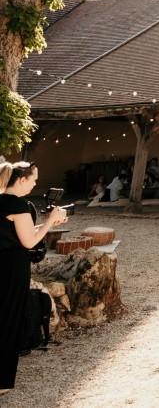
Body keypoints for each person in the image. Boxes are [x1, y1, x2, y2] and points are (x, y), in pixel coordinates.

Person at [1, 163, 68, 393]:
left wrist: (46, 224)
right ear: (21, 180)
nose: (35, 184)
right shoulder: (18, 205)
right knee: (9, 320)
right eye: (33, 180)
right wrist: (50, 221)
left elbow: (18, 232)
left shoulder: (2, 201)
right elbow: (29, 242)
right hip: (12, 269)